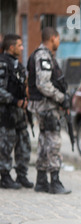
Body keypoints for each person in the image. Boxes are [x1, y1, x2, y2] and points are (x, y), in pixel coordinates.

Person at [27, 27, 71, 195]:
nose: (58, 42)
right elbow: (43, 84)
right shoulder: (43, 55)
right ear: (53, 38)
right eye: (58, 39)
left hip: (44, 105)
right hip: (46, 106)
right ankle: (55, 181)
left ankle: (41, 180)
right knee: (53, 142)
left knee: (44, 141)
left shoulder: (43, 55)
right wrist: (61, 97)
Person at [0, 34, 33, 189]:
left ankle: (22, 175)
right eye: (19, 45)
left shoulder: (18, 65)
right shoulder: (2, 64)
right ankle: (5, 176)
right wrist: (14, 100)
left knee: (24, 144)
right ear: (11, 47)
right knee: (5, 147)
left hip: (19, 113)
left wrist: (25, 100)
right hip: (5, 113)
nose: (22, 48)